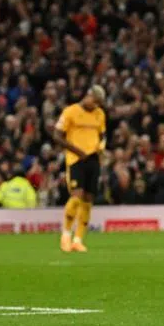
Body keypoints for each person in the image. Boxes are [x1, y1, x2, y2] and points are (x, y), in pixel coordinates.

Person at [55, 86, 106, 253]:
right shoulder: (70, 111)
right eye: (95, 101)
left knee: (88, 200)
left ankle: (78, 240)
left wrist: (101, 147)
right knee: (76, 196)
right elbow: (57, 135)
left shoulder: (99, 114)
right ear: (88, 95)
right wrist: (77, 151)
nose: (96, 105)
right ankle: (65, 236)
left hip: (93, 160)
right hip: (76, 159)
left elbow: (102, 135)